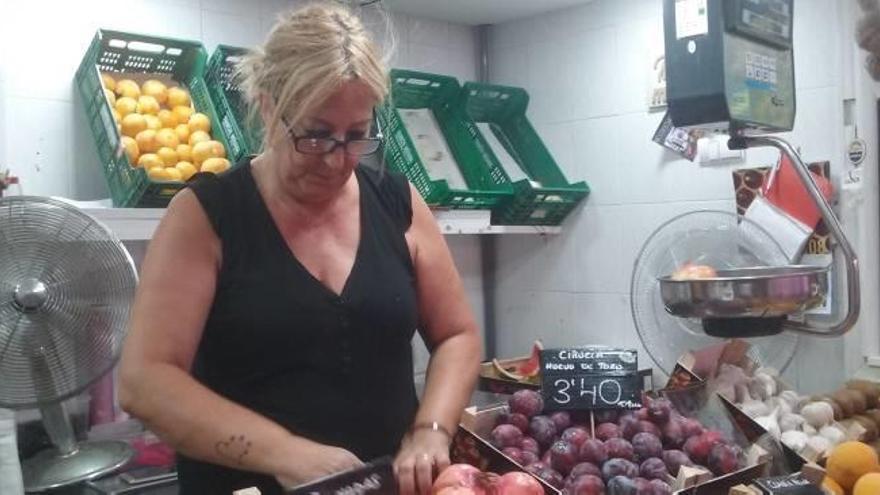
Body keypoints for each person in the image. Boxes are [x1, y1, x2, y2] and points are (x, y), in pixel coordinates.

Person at [118, 4, 482, 495]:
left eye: (356, 136)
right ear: (269, 107)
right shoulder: (206, 215)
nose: (337, 159)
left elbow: (457, 335)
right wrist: (286, 454)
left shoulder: (398, 202)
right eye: (315, 134)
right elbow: (145, 381)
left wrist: (431, 430)